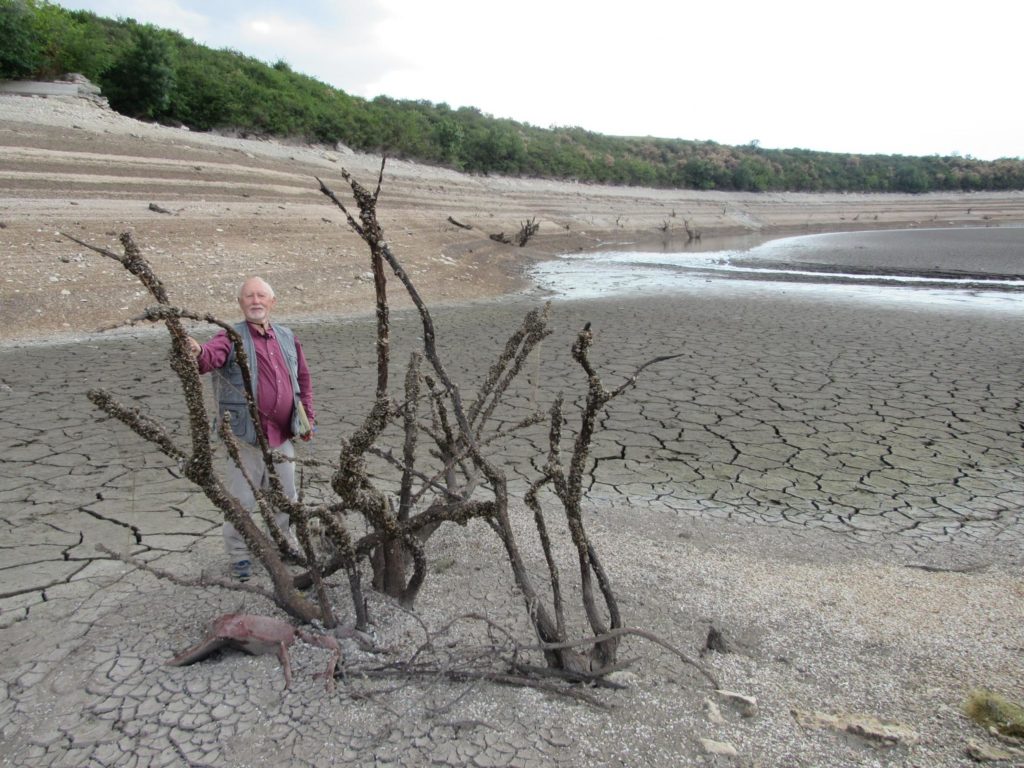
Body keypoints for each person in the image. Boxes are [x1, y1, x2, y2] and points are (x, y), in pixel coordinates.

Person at [187, 276, 315, 581]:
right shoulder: (229, 337)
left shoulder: (286, 336)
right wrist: (195, 352)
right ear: (240, 303)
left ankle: (285, 544)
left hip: (282, 435)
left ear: (272, 302)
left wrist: (306, 418)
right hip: (245, 439)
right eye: (249, 297)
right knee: (242, 500)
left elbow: (303, 380)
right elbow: (208, 359)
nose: (255, 301)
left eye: (261, 296)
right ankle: (240, 556)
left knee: (287, 498)